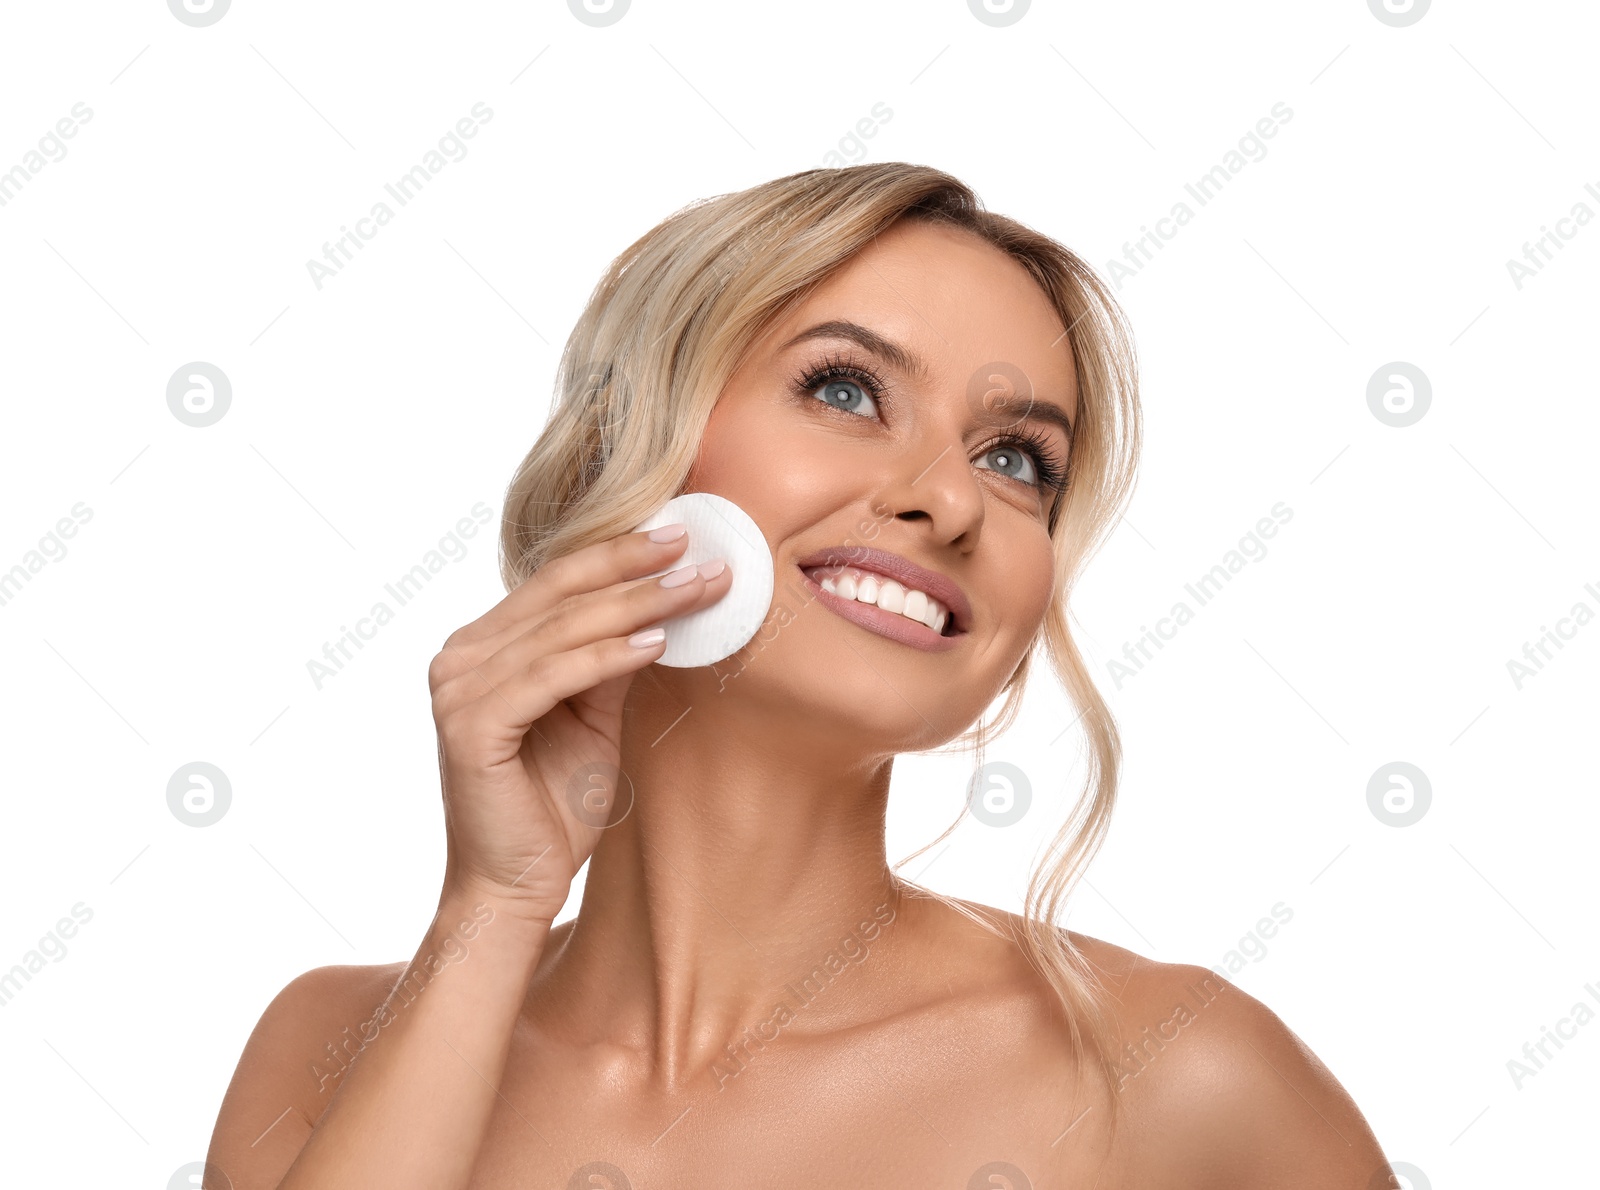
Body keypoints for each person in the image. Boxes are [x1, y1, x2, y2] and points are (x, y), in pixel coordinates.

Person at [205, 163, 1392, 1188]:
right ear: (624, 452)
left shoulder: (1177, 1075)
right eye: (844, 388)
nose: (950, 497)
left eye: (1019, 458)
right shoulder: (325, 1048)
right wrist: (492, 909)